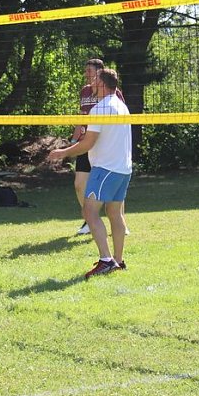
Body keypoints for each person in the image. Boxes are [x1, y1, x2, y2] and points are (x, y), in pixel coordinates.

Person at [49, 69, 132, 278]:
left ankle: (106, 261)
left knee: (89, 212)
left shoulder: (100, 109)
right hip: (123, 168)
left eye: (95, 81)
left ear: (103, 84)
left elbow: (88, 143)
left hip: (106, 168)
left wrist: (63, 153)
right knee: (115, 213)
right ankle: (119, 260)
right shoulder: (122, 107)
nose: (91, 85)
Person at [71, 58, 128, 236]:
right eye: (86, 70)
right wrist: (74, 141)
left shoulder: (113, 93)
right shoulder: (85, 91)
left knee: (116, 189)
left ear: (100, 74)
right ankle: (90, 219)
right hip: (87, 140)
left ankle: (119, 221)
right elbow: (82, 117)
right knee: (80, 185)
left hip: (105, 143)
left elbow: (120, 117)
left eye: (90, 71)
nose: (86, 74)